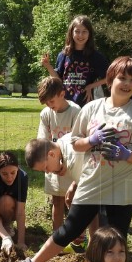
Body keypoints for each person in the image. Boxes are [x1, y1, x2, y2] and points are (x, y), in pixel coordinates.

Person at [7, 57, 132, 262]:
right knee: (70, 228)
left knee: (115, 238)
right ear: (111, 79)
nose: (127, 84)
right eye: (122, 78)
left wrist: (127, 155)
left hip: (123, 185)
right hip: (92, 181)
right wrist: (92, 140)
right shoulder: (92, 109)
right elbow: (75, 143)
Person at [35, 76, 80, 234]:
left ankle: (77, 238)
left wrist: (64, 164)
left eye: (51, 101)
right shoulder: (46, 114)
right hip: (52, 164)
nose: (49, 105)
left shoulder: (76, 112)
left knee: (75, 201)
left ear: (62, 94)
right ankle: (57, 237)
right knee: (57, 200)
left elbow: (79, 143)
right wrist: (52, 166)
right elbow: (43, 141)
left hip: (73, 165)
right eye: (46, 103)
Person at [40, 15, 110, 107]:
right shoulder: (63, 55)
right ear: (71, 33)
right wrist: (48, 66)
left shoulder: (95, 56)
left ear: (89, 34)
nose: (80, 35)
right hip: (66, 105)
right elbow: (58, 80)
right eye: (77, 31)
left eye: (84, 31)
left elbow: (110, 77)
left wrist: (91, 86)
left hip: (86, 106)